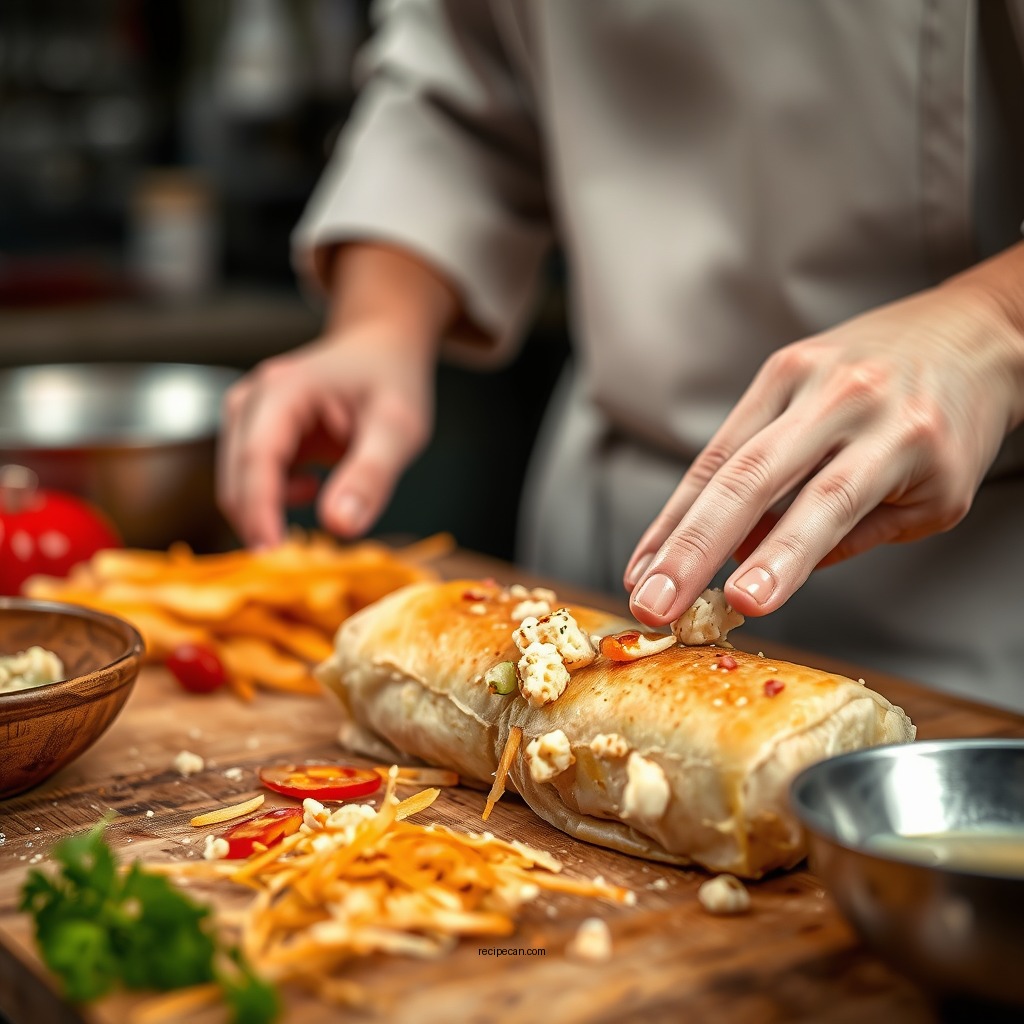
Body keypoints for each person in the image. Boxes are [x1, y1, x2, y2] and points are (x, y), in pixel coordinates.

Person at [218, 1, 1024, 711]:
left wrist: (992, 324)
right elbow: (456, 84)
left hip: (963, 594)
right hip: (609, 542)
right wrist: (380, 319)